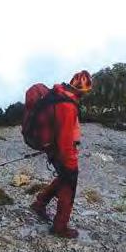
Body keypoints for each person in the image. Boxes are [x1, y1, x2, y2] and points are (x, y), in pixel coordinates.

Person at [29, 70, 93, 239]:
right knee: (69, 185)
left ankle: (40, 203)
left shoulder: (58, 95)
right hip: (61, 151)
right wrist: (71, 162)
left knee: (63, 178)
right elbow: (65, 140)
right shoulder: (68, 106)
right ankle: (60, 226)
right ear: (82, 91)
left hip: (52, 146)